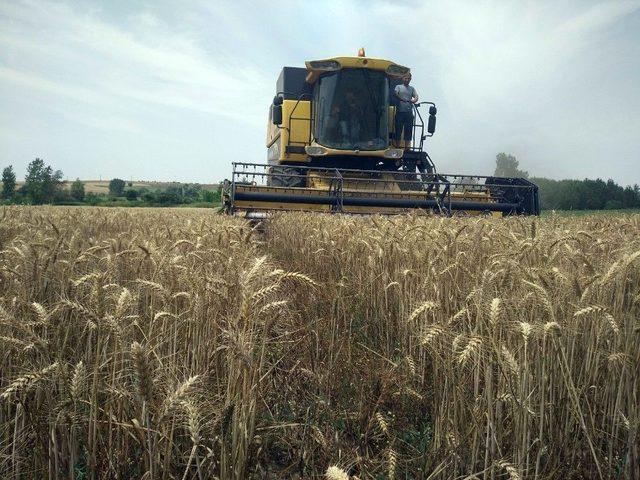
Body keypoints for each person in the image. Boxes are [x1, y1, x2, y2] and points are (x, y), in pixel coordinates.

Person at [394, 73, 418, 149]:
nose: (407, 80)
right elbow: (395, 93)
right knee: (398, 129)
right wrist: (401, 99)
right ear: (402, 78)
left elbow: (416, 96)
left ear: (410, 79)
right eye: (405, 78)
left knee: (408, 129)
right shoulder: (398, 87)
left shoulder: (412, 88)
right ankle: (397, 146)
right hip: (400, 112)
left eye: (408, 78)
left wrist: (414, 100)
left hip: (408, 112)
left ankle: (407, 147)